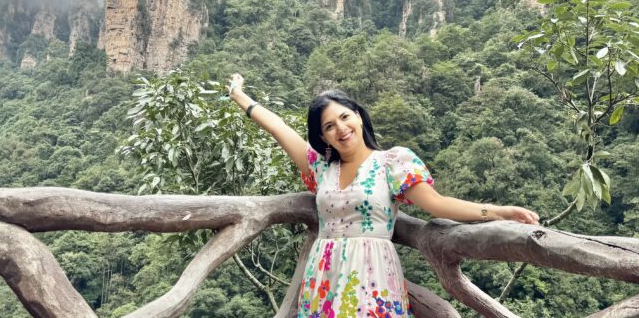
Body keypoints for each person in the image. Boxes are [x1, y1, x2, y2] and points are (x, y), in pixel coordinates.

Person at [226, 73, 539, 317]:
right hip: (323, 271)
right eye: (329, 126)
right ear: (323, 136)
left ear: (359, 116)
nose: (341, 128)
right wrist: (240, 96)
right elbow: (279, 128)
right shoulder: (321, 168)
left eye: (345, 117)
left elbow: (436, 203)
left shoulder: (392, 162)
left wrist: (499, 212)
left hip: (371, 270)